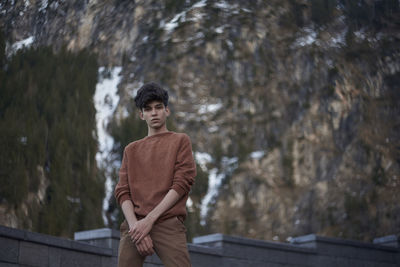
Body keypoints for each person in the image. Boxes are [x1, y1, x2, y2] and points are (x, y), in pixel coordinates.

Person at [114, 82, 196, 267]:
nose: (154, 113)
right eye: (148, 109)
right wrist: (136, 226)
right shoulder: (131, 150)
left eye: (159, 107)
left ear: (167, 111)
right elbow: (122, 191)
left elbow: (182, 183)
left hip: (167, 222)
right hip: (134, 224)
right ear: (141, 115)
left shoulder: (180, 141)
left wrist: (149, 221)